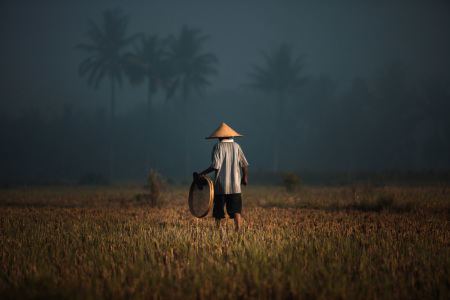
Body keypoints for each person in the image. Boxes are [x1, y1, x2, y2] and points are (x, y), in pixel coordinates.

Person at [198, 123, 249, 232]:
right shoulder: (236, 146)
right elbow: (244, 164)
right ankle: (238, 229)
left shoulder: (217, 146)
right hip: (235, 185)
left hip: (221, 185)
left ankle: (218, 229)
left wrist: (203, 173)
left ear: (219, 136)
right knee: (236, 209)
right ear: (230, 136)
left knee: (218, 210)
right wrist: (244, 178)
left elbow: (215, 166)